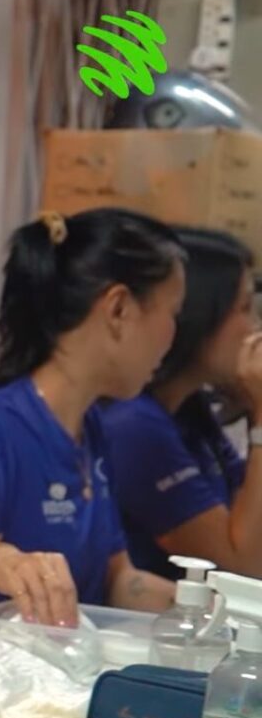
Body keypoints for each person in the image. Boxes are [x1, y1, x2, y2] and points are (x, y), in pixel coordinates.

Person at [0, 209, 182, 625]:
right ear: (118, 309)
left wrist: (225, 609)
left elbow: (119, 580)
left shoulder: (90, 426)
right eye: (173, 313)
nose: (173, 336)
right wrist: (0, 561)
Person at [102, 228, 262, 579]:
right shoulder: (133, 423)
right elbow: (244, 566)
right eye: (245, 309)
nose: (254, 328)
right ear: (200, 315)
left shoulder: (190, 410)